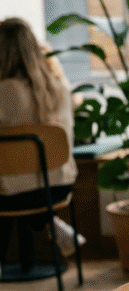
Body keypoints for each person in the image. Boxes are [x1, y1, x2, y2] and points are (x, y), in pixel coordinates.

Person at [0, 18, 78, 271]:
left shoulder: (4, 92)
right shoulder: (60, 88)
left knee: (11, 185)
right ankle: (50, 224)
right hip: (57, 187)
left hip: (11, 195)